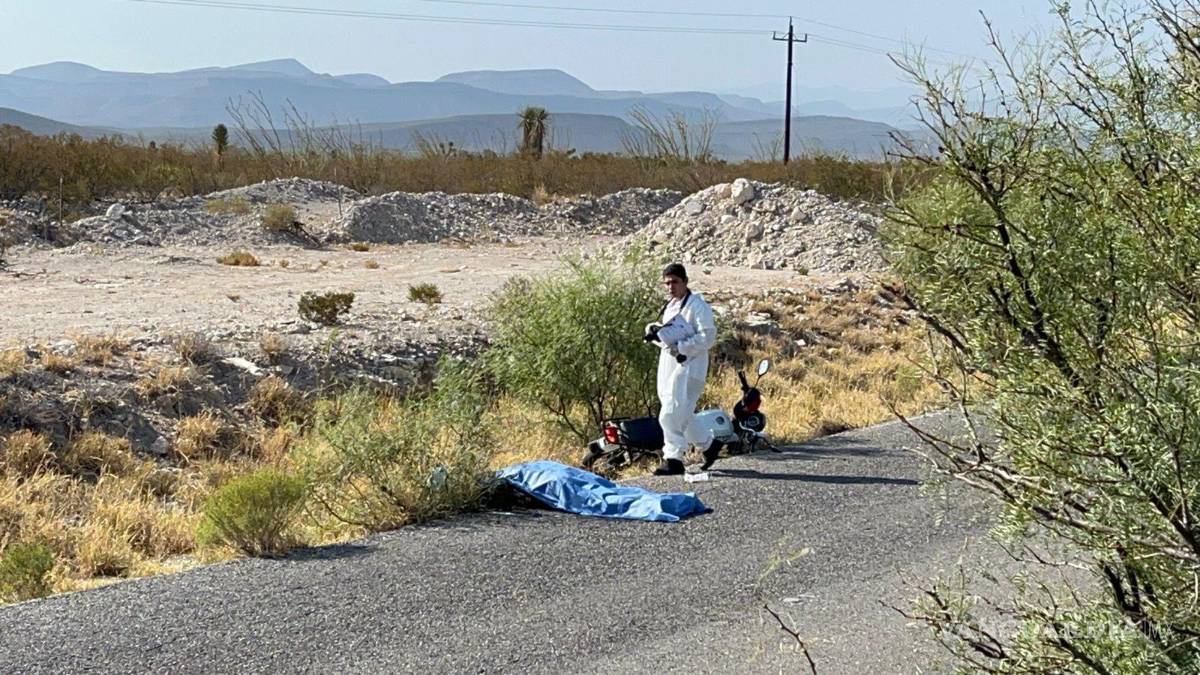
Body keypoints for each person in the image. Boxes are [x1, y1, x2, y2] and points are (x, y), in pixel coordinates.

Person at [645, 262, 721, 476]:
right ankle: (709, 445)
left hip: (690, 366)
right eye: (667, 283)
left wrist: (683, 345)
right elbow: (669, 334)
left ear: (685, 282)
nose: (671, 287)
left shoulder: (697, 306)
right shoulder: (670, 306)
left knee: (670, 412)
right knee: (682, 412)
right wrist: (655, 333)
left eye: (675, 282)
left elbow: (708, 336)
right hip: (670, 364)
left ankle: (674, 458)